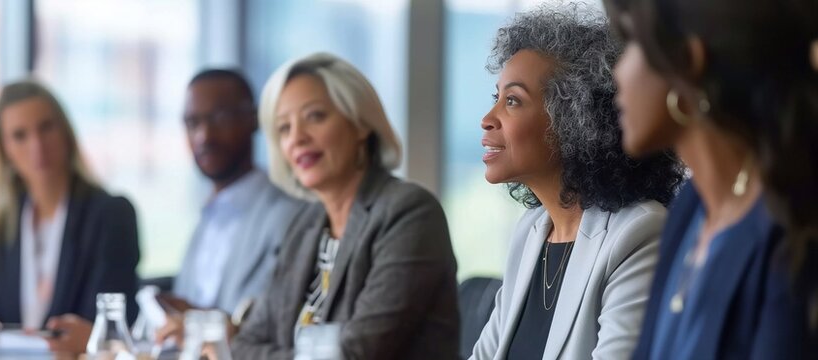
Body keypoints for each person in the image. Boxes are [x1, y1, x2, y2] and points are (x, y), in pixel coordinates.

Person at [603, 0, 818, 357]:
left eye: (631, 45)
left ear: (688, 61)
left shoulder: (791, 230)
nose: (617, 72)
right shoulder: (691, 205)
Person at [468, 4, 684, 359]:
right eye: (497, 98)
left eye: (513, 101)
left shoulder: (638, 233)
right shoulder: (530, 231)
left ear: (574, 120)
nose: (487, 118)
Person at [231, 52, 459, 359]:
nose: (297, 137)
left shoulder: (410, 213)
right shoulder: (304, 225)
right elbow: (245, 342)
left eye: (315, 116)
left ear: (360, 123)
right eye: (284, 128)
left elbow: (355, 354)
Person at [0, 80, 140, 352]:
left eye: (46, 128)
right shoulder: (6, 227)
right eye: (20, 135)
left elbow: (111, 327)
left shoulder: (110, 216)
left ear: (66, 132)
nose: (37, 145)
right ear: (6, 150)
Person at [155, 69, 303, 343]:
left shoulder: (290, 216)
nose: (204, 136)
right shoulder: (206, 218)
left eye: (220, 118)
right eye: (192, 123)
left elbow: (275, 325)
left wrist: (200, 323)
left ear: (254, 119)